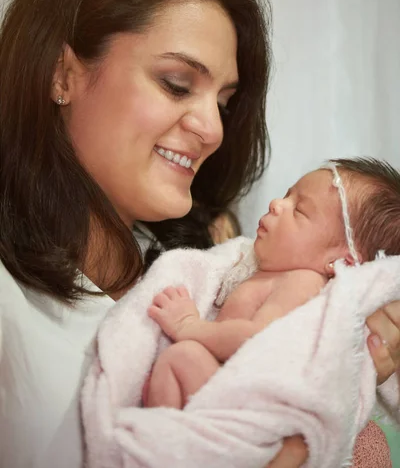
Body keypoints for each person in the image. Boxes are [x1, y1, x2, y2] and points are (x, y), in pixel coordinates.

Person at [0, 0, 398, 468]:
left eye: (225, 103)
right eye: (177, 84)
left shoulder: (220, 267)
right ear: (62, 73)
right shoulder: (12, 303)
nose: (212, 130)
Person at [145, 157, 400, 411]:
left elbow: (256, 339)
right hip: (224, 387)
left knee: (182, 357)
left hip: (246, 401)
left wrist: (189, 326)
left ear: (342, 261)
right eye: (286, 195)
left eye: (299, 210)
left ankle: (157, 440)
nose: (276, 204)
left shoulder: (303, 282)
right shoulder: (263, 268)